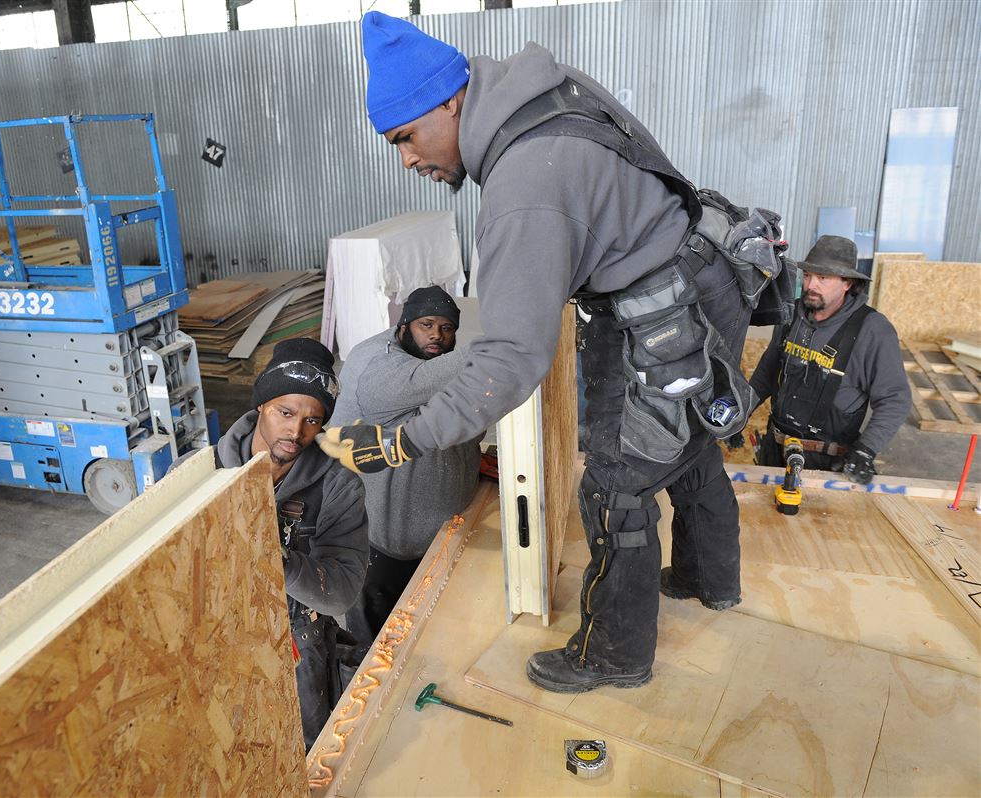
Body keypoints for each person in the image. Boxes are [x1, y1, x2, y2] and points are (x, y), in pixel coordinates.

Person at [320, 12, 776, 693]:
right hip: (701, 270)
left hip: (664, 303)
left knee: (616, 482)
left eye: (407, 138)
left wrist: (398, 442)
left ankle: (616, 656)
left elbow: (509, 361)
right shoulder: (543, 91)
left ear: (450, 100)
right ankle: (710, 580)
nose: (408, 160)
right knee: (689, 438)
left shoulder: (521, 188)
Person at [218, 337, 368, 748]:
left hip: (299, 649)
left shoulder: (339, 487)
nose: (296, 431)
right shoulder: (204, 473)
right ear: (262, 406)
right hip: (218, 646)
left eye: (313, 420)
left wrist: (273, 556)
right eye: (285, 412)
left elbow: (340, 593)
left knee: (303, 754)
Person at [329, 286, 482, 658]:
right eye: (426, 325)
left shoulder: (433, 363)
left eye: (447, 329)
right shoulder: (375, 367)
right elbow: (423, 386)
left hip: (441, 535)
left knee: (428, 643)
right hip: (383, 544)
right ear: (403, 326)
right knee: (376, 650)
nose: (436, 335)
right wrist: (501, 347)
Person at [750, 235, 911, 483]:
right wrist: (738, 415)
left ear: (847, 283)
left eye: (823, 278)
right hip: (776, 451)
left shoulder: (872, 331)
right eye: (807, 276)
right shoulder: (791, 315)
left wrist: (866, 449)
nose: (811, 284)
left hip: (828, 465)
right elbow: (767, 373)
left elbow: (895, 399)